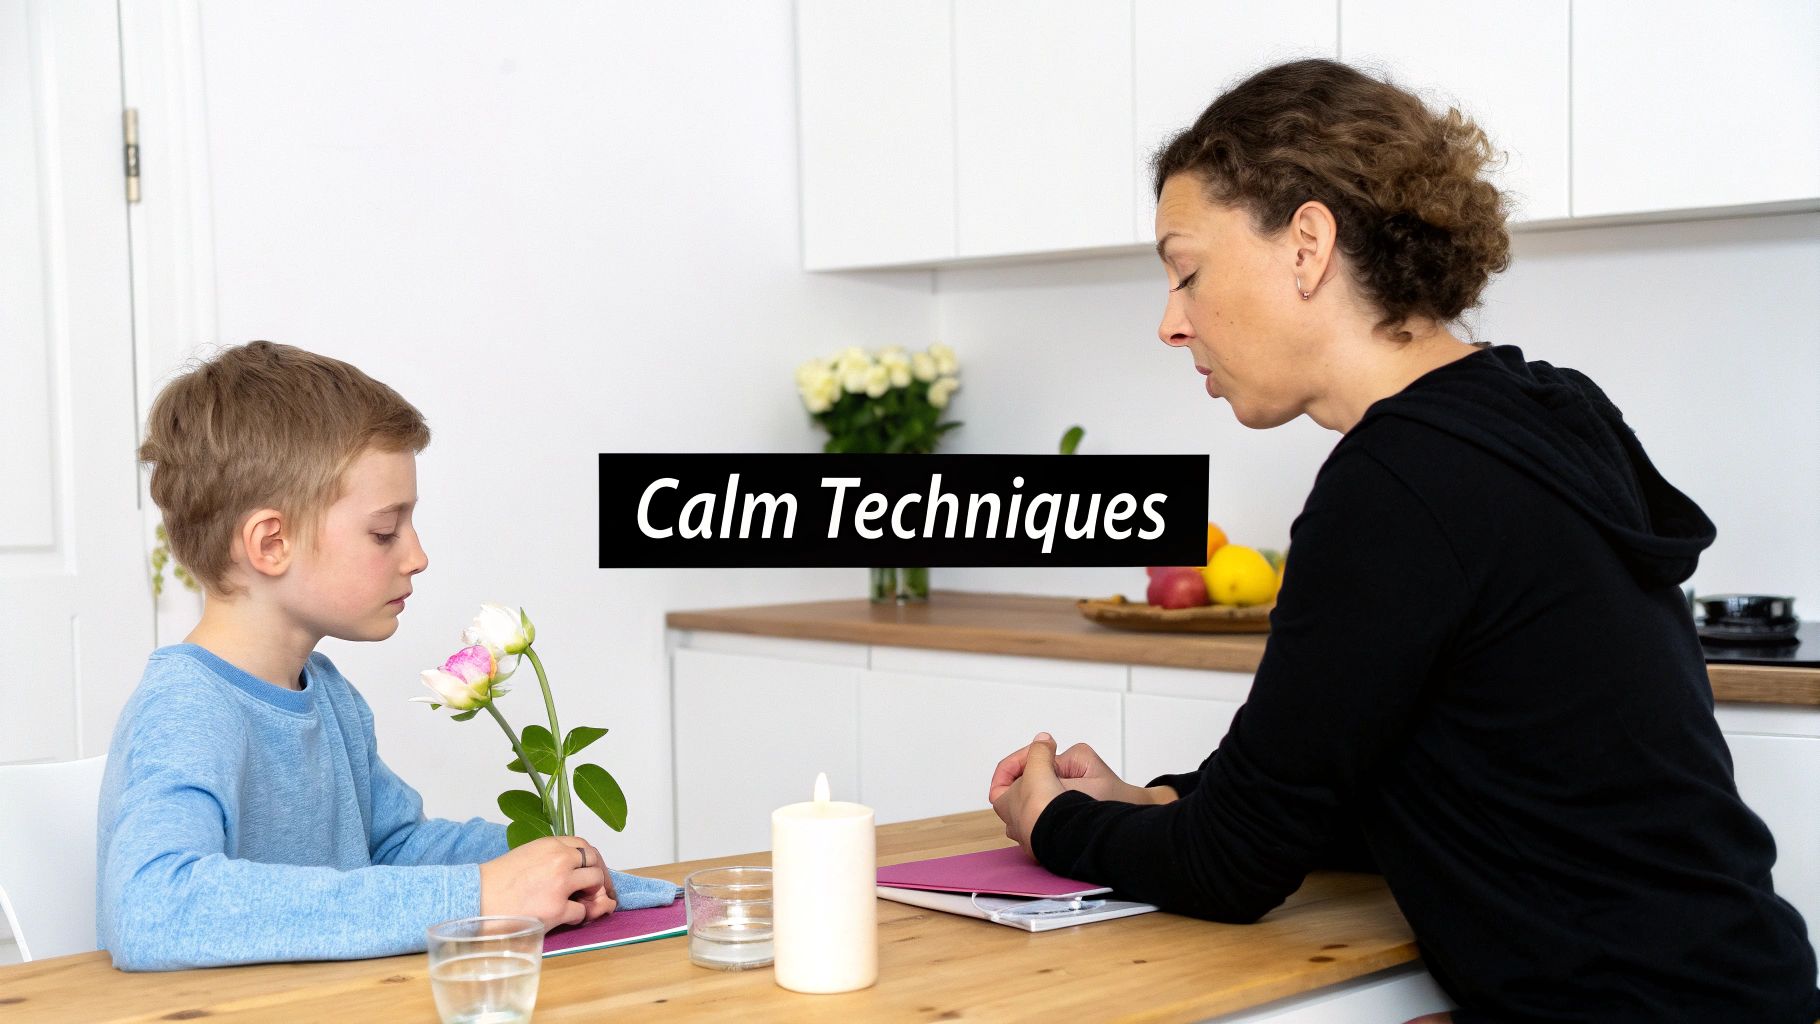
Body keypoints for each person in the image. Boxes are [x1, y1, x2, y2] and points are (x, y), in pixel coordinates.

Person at [987, 59, 1820, 1023]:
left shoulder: (1398, 482)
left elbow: (1236, 867)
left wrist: (1055, 824)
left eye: (1187, 271)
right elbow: (1350, 774)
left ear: (1307, 245)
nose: (1172, 323)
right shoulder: (1532, 410)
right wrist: (1157, 805)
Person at [98, 341, 672, 971]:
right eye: (384, 531)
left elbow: (392, 846)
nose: (417, 555)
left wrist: (543, 859)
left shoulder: (326, 692)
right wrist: (480, 894)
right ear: (271, 541)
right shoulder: (188, 707)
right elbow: (153, 908)